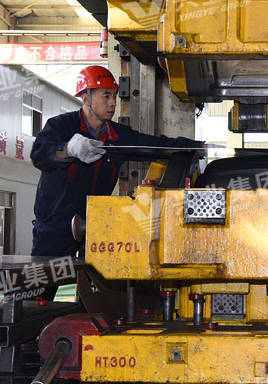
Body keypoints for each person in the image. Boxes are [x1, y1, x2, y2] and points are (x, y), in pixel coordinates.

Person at [30, 65, 202, 300]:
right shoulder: (60, 126)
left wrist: (197, 146)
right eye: (106, 96)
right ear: (85, 98)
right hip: (55, 225)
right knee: (40, 291)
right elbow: (39, 155)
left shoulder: (117, 136)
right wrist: (69, 149)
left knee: (96, 292)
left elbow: (155, 145)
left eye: (114, 95)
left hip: (95, 225)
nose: (113, 103)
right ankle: (30, 322)